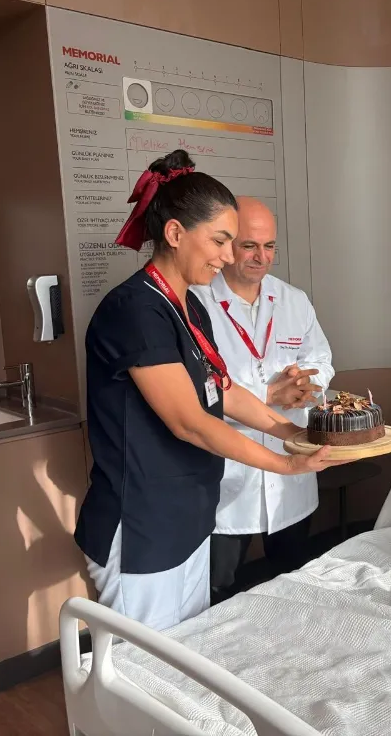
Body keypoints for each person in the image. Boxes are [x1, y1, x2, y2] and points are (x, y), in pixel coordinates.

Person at [74, 150, 345, 632]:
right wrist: (287, 464)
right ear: (175, 233)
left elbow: (225, 390)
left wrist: (294, 436)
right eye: (222, 241)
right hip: (143, 521)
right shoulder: (135, 311)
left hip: (189, 513)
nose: (227, 256)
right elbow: (191, 422)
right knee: (143, 661)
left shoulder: (187, 309)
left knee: (191, 648)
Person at [191, 197, 334, 599]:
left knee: (294, 577)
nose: (262, 257)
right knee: (218, 587)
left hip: (291, 471)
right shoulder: (196, 303)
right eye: (249, 246)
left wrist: (306, 384)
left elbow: (321, 358)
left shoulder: (293, 300)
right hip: (228, 478)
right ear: (226, 245)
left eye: (269, 246)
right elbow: (197, 387)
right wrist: (269, 393)